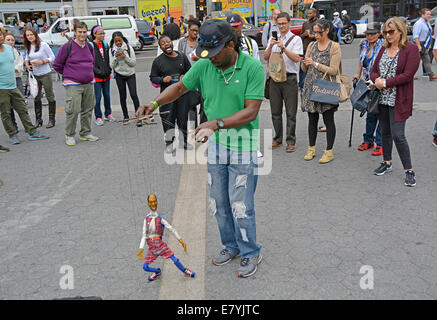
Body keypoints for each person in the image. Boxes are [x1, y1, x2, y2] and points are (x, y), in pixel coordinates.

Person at [136, 19, 265, 278]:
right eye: (208, 54)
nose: (212, 59)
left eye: (216, 53)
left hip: (243, 147)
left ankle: (250, 252)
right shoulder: (205, 65)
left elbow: (251, 112)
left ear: (230, 45)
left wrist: (215, 124)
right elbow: (180, 87)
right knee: (218, 202)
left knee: (240, 204)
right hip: (217, 148)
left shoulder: (252, 68)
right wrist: (154, 102)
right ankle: (231, 246)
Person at [370, 17, 420, 187]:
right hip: (382, 99)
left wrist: (385, 83)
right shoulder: (383, 49)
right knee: (385, 132)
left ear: (401, 31)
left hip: (399, 99)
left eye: (391, 32)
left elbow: (408, 75)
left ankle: (409, 170)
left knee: (398, 135)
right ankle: (387, 162)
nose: (388, 35)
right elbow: (374, 70)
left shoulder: (410, 49)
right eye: (385, 32)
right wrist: (376, 80)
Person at [301, 18, 341, 164]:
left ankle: (329, 151)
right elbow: (304, 69)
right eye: (314, 32)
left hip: (326, 87)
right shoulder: (311, 45)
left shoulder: (334, 46)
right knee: (312, 119)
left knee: (328, 119)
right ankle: (311, 148)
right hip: (311, 86)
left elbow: (334, 70)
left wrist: (315, 63)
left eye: (319, 33)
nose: (316, 35)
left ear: (327, 31)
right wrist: (305, 62)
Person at [53, 21, 99, 146]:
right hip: (73, 84)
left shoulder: (90, 46)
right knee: (73, 110)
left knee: (88, 109)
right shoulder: (67, 46)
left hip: (88, 83)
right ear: (74, 32)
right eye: (80, 32)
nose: (82, 34)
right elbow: (57, 65)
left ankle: (85, 133)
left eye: (84, 32)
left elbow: (92, 62)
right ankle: (70, 134)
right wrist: (69, 74)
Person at [0, 29, 49, 145]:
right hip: (1, 88)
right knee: (6, 113)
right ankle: (12, 134)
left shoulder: (8, 49)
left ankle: (32, 132)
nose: (0, 37)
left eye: (1, 35)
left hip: (13, 85)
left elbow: (14, 63)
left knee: (22, 109)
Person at [264, 12, 303, 153]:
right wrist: (271, 45)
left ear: (289, 23)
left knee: (291, 112)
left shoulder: (296, 39)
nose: (281, 26)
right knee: (275, 111)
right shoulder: (273, 38)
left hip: (289, 79)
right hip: (274, 79)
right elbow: (266, 57)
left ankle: (291, 140)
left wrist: (283, 48)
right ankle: (278, 138)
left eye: (283, 23)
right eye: (279, 23)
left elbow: (297, 59)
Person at [136, 194, 195, 281]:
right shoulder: (146, 219)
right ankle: (157, 272)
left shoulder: (160, 219)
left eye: (154, 201)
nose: (153, 203)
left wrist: (180, 240)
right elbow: (144, 235)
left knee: (174, 259)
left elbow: (171, 229)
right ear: (148, 203)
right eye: (151, 202)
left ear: (157, 202)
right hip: (152, 247)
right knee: (145, 267)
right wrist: (141, 249)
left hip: (160, 244)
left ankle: (185, 270)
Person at [151, 35, 193, 152]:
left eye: (168, 42)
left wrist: (185, 76)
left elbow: (190, 71)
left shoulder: (182, 57)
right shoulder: (158, 61)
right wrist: (162, 80)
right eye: (163, 44)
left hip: (182, 95)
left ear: (172, 43)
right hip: (167, 97)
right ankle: (169, 144)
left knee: (183, 119)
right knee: (168, 119)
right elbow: (153, 77)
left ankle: (184, 142)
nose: (167, 45)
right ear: (160, 47)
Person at [352, 22, 384, 156]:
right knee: (370, 112)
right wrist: (358, 74)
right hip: (367, 82)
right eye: (367, 34)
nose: (369, 36)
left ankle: (380, 143)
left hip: (380, 83)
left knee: (381, 114)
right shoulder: (362, 44)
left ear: (379, 34)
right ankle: (368, 140)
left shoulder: (384, 45)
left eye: (373, 34)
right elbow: (361, 60)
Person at [23, 28, 57, 128]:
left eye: (31, 34)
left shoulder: (43, 45)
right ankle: (38, 120)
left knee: (49, 95)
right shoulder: (28, 46)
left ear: (35, 35)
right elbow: (27, 58)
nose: (30, 37)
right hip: (35, 75)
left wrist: (42, 62)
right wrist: (27, 65)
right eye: (27, 35)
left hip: (45, 73)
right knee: (36, 96)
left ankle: (51, 119)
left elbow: (52, 57)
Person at [177, 19, 207, 126]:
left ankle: (203, 129)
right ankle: (194, 129)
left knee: (204, 103)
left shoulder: (202, 42)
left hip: (202, 77)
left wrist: (199, 58)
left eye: (197, 31)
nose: (195, 33)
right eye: (193, 30)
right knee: (191, 105)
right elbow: (179, 59)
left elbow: (208, 58)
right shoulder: (182, 42)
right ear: (188, 29)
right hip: (189, 77)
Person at [109, 31, 141, 126]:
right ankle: (125, 116)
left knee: (134, 95)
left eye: (120, 40)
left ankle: (139, 116)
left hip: (130, 74)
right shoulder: (111, 50)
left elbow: (133, 63)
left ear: (123, 39)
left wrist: (125, 57)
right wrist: (115, 57)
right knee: (123, 96)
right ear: (113, 41)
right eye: (116, 41)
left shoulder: (128, 48)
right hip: (119, 75)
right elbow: (111, 65)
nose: (118, 43)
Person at [90, 25, 114, 126]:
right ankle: (98, 116)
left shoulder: (105, 44)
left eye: (103, 33)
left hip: (106, 75)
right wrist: (97, 71)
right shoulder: (90, 45)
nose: (102, 35)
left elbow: (108, 59)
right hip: (96, 76)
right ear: (94, 34)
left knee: (107, 95)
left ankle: (108, 114)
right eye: (100, 33)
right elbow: (90, 62)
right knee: (98, 97)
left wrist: (109, 69)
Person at [4, 32, 23, 133]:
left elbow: (20, 63)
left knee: (21, 102)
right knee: (8, 106)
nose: (11, 42)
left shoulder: (16, 51)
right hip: (6, 81)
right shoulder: (2, 52)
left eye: (12, 40)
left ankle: (28, 125)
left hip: (17, 78)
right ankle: (13, 125)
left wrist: (16, 68)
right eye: (8, 40)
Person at [413, 8, 437, 80]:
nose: (429, 16)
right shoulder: (419, 23)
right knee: (415, 61)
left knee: (426, 60)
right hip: (418, 43)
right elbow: (415, 36)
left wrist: (428, 43)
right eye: (427, 14)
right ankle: (410, 75)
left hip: (425, 43)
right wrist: (418, 46)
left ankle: (431, 75)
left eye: (430, 14)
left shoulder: (427, 22)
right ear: (422, 14)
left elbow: (428, 33)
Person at [300, 8, 318, 90]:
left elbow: (323, 36)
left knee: (313, 67)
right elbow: (301, 36)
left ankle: (313, 85)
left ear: (315, 14)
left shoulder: (319, 23)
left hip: (315, 48)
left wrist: (313, 36)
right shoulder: (305, 23)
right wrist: (305, 34)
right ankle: (302, 85)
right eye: (308, 13)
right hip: (305, 48)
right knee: (303, 67)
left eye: (310, 13)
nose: (308, 15)